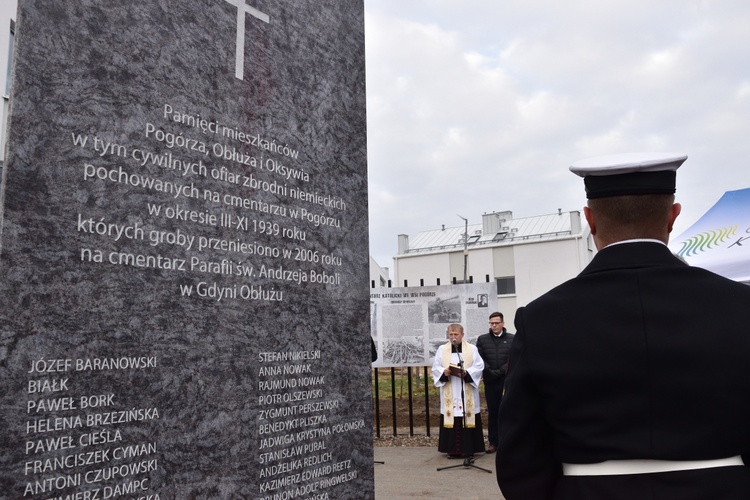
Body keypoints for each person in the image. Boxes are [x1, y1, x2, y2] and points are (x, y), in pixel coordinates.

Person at [496, 152, 750, 500]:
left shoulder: (540, 318)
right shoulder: (740, 305)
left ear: (591, 220)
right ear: (674, 216)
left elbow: (519, 453)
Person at [432, 323, 486, 458]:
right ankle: (452, 450)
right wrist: (444, 372)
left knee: (467, 415)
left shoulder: (472, 349)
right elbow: (436, 367)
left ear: (462, 335)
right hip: (450, 387)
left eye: (456, 334)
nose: (453, 337)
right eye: (451, 334)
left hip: (465, 387)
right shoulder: (442, 349)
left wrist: (467, 373)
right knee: (452, 415)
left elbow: (479, 366)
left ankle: (468, 449)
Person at [476, 311, 514, 454]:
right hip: (491, 381)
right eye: (491, 323)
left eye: (496, 323)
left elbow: (513, 358)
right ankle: (493, 442)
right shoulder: (482, 339)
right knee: (493, 412)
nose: (494, 326)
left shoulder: (512, 339)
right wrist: (490, 371)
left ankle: (507, 441)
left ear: (503, 323)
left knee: (507, 412)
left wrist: (502, 370)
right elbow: (479, 358)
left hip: (506, 381)